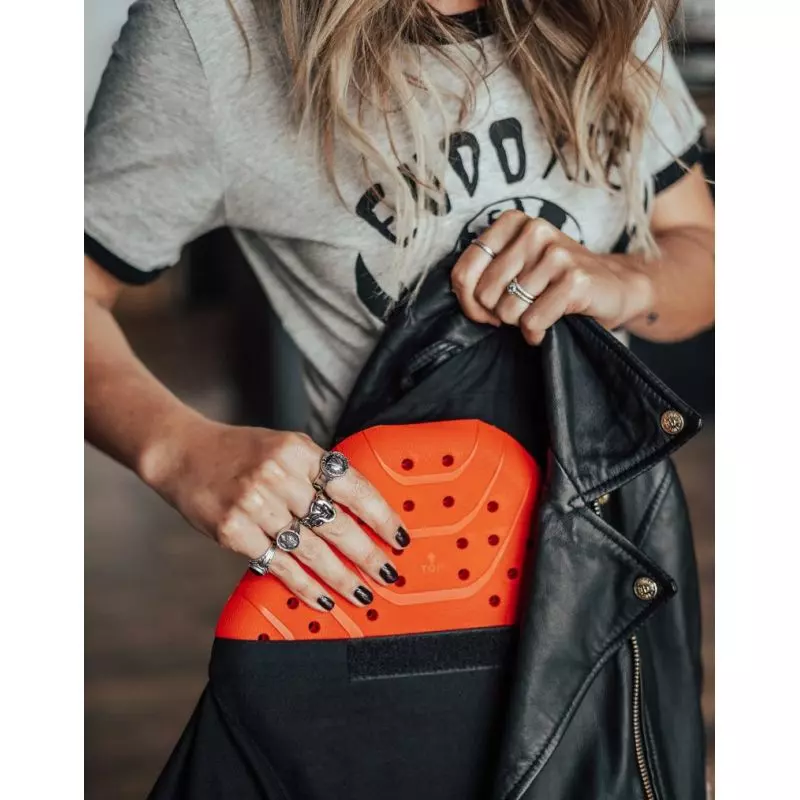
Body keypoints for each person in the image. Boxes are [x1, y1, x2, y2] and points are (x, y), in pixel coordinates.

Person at [84, 0, 714, 795]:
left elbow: (704, 251)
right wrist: (178, 449)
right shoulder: (216, 32)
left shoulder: (610, 12)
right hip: (403, 608)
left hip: (613, 572)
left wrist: (622, 279)